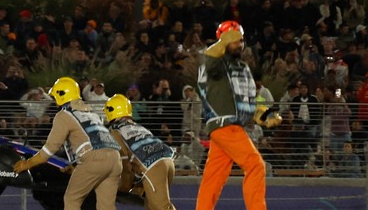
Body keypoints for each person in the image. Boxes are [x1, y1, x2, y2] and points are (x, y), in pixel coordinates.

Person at [195, 20, 279, 210]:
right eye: (233, 40)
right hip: (226, 125)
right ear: (223, 41)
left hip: (227, 128)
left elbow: (250, 97)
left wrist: (264, 113)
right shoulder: (214, 62)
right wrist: (220, 44)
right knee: (256, 165)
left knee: (213, 178)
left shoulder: (242, 67)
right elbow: (208, 64)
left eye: (241, 40)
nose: (239, 44)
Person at [13, 76, 122, 210]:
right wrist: (75, 164)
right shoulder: (91, 113)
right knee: (106, 206)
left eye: (54, 97)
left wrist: (27, 164)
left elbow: (48, 151)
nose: (53, 101)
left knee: (72, 200)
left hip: (93, 160)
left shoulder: (64, 116)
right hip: (115, 159)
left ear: (61, 95)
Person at [105, 94, 176, 210]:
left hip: (152, 165)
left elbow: (125, 162)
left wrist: (124, 187)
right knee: (152, 206)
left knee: (161, 207)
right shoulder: (138, 127)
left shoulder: (115, 131)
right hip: (168, 159)